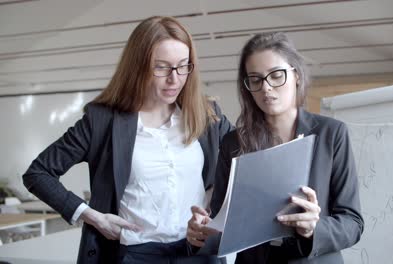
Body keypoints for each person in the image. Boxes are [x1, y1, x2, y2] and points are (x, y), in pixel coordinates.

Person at [23, 16, 233, 264]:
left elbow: (244, 162)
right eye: (162, 67)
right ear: (138, 66)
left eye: (183, 66)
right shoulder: (102, 121)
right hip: (137, 254)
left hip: (198, 252)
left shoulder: (207, 114)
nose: (174, 79)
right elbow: (38, 173)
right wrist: (92, 216)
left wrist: (211, 205)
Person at [187, 32, 364, 263]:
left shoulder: (331, 134)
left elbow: (352, 222)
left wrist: (313, 229)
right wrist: (201, 234)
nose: (266, 88)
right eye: (256, 79)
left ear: (296, 75)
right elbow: (224, 224)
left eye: (276, 75)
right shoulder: (234, 143)